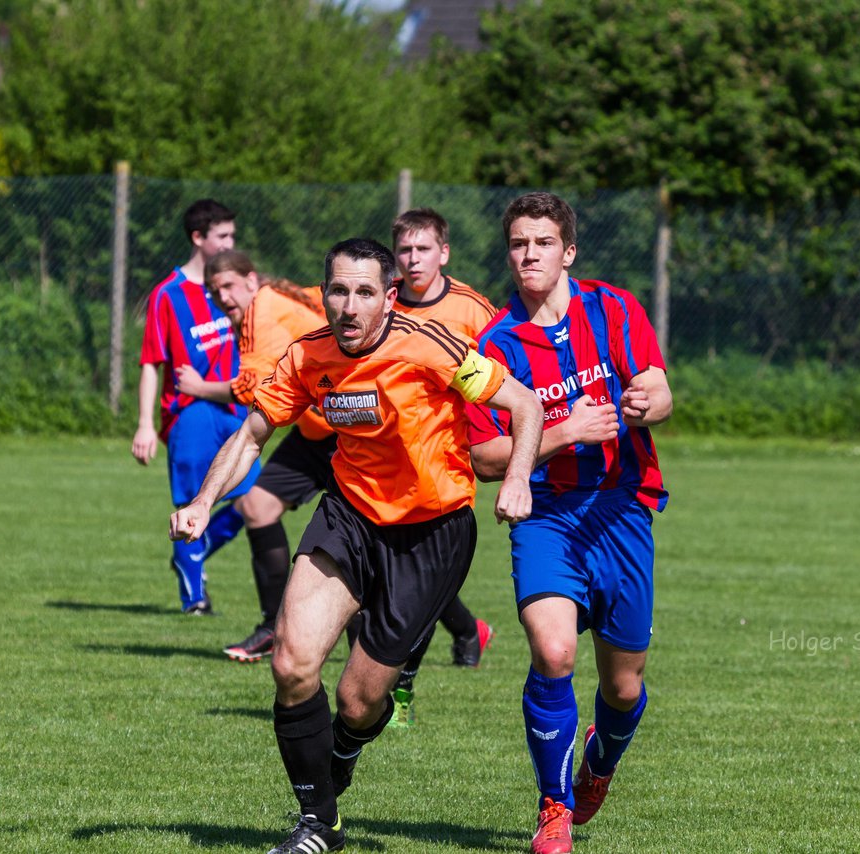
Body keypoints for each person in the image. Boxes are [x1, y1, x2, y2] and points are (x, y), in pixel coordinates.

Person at [170, 237, 541, 854]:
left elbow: (523, 404)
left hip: (433, 531)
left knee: (360, 701)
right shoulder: (308, 356)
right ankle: (319, 823)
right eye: (338, 290)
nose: (348, 305)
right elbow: (252, 434)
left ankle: (340, 750)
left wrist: (521, 478)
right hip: (350, 517)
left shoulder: (432, 347)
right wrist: (204, 502)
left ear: (389, 299)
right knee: (291, 664)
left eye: (364, 292)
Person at [467, 192, 673, 854]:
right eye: (519, 244)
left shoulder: (613, 309)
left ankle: (599, 765)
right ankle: (554, 807)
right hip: (546, 515)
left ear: (568, 251)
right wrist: (563, 431)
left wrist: (648, 401)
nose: (529, 254)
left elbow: (659, 391)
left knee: (623, 685)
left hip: (621, 511)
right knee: (554, 652)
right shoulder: (494, 344)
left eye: (543, 242)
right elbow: (485, 457)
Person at [175, 249, 328, 661]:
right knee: (257, 505)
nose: (222, 296)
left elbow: (252, 387)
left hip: (348, 434)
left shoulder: (263, 308)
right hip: (318, 431)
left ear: (250, 279)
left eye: (228, 285)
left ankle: (458, 629)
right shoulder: (276, 299)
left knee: (377, 542)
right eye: (214, 290)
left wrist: (197, 387)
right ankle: (272, 627)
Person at [385, 207, 498, 725]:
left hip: (445, 468)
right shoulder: (379, 304)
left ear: (443, 253)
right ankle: (469, 630)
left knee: (416, 587)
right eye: (404, 250)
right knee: (397, 584)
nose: (412, 260)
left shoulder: (474, 310)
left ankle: (398, 694)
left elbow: (506, 379)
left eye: (422, 249)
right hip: (384, 465)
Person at [132, 199, 257, 614]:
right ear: (198, 238)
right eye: (222, 236)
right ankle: (194, 599)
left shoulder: (235, 288)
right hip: (188, 413)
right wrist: (145, 425)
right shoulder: (168, 295)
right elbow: (152, 363)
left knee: (256, 497)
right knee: (189, 501)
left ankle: (194, 552)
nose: (230, 243)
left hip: (234, 408)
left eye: (233, 236)